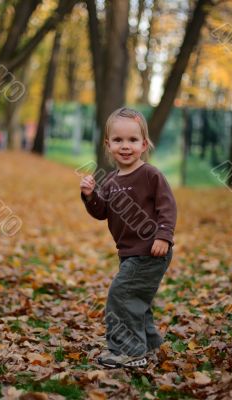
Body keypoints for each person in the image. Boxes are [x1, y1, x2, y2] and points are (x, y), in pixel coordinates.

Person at [80, 107, 177, 368]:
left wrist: (164, 236)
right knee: (136, 300)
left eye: (132, 140)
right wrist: (90, 196)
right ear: (108, 144)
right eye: (118, 140)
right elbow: (101, 212)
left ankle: (130, 351)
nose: (125, 146)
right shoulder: (111, 181)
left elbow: (167, 207)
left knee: (121, 296)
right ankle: (150, 344)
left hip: (151, 250)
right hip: (129, 253)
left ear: (144, 144)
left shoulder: (151, 175)